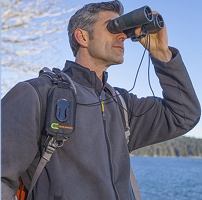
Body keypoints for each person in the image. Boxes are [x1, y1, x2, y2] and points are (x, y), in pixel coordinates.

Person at [1, 1, 201, 200]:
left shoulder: (122, 105)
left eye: (123, 27)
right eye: (113, 27)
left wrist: (161, 53)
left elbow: (183, 115)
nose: (122, 34)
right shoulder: (37, 94)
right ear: (83, 36)